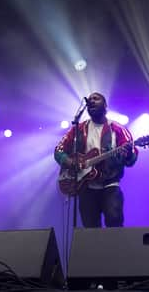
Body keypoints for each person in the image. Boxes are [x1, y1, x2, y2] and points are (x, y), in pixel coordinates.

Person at [54, 92, 137, 228]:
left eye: (96, 99)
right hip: (86, 187)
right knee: (90, 230)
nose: (91, 101)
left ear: (105, 106)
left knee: (114, 221)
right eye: (90, 99)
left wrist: (126, 155)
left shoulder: (118, 129)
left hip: (110, 184)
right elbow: (58, 150)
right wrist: (70, 162)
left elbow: (132, 158)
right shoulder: (78, 129)